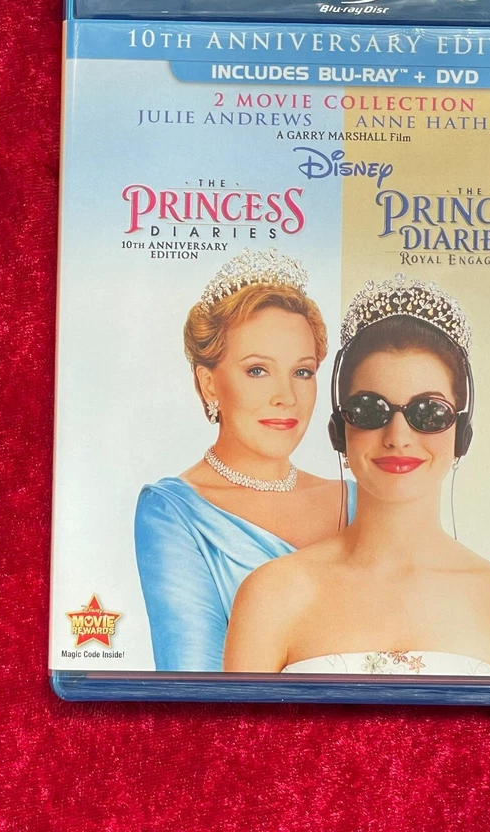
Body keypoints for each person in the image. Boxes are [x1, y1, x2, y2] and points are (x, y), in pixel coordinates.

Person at [223, 276, 490, 677]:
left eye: (428, 413)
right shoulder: (271, 595)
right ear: (339, 430)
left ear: (461, 434)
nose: (398, 437)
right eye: (370, 410)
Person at [134, 249, 354, 671]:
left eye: (302, 372)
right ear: (208, 383)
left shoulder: (356, 499)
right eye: (257, 370)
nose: (286, 396)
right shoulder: (174, 512)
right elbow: (194, 682)